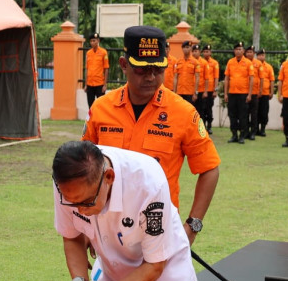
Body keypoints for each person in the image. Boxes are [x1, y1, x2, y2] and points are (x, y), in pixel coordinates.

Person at [82, 25, 220, 245]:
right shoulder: (101, 109)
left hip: (160, 232)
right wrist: (87, 225)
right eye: (142, 69)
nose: (151, 77)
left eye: (158, 69)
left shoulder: (183, 113)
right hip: (108, 233)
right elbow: (84, 167)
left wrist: (193, 225)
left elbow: (210, 168)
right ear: (124, 65)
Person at [53, 141, 197, 281]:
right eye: (72, 203)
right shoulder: (67, 182)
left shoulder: (148, 184)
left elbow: (155, 265)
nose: (80, 210)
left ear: (109, 177)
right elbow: (72, 237)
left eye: (87, 202)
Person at [224, 42, 253, 144]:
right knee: (232, 115)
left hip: (243, 93)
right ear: (234, 51)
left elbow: (251, 79)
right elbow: (226, 78)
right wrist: (226, 93)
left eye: (240, 49)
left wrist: (249, 94)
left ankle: (242, 135)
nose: (238, 51)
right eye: (236, 49)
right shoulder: (230, 62)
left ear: (243, 51)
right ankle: (234, 135)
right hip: (232, 93)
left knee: (243, 115)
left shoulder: (248, 63)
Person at [84, 33, 109, 109]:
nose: (92, 43)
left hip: (99, 84)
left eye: (94, 41)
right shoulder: (88, 53)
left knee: (101, 106)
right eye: (91, 41)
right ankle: (91, 118)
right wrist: (86, 84)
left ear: (98, 41)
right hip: (90, 84)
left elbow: (106, 68)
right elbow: (87, 69)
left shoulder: (103, 52)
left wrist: (105, 85)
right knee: (90, 106)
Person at [243, 46, 261, 141]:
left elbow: (261, 78)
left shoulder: (258, 63)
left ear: (254, 53)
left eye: (251, 52)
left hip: (254, 92)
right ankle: (245, 132)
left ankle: (253, 132)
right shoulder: (243, 63)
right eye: (248, 52)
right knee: (245, 113)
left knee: (254, 114)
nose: (249, 53)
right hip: (244, 92)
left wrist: (260, 90)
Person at [201, 45, 219, 134]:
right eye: (204, 52)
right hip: (201, 89)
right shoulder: (200, 62)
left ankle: (209, 126)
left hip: (210, 89)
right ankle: (203, 126)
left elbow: (216, 77)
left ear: (210, 52)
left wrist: (215, 90)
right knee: (202, 108)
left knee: (209, 108)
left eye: (207, 51)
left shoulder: (214, 63)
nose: (206, 53)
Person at [256, 49, 274, 136]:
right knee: (255, 112)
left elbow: (272, 80)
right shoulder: (254, 65)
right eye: (260, 55)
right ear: (257, 56)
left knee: (264, 112)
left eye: (263, 55)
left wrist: (271, 92)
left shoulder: (268, 67)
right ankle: (255, 129)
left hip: (265, 93)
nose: (261, 57)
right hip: (255, 93)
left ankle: (262, 129)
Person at [191, 44, 209, 117]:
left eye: (196, 51)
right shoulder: (190, 61)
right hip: (190, 90)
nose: (194, 53)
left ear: (199, 52)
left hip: (200, 90)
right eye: (193, 51)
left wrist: (205, 91)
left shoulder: (204, 63)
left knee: (200, 111)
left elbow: (206, 78)